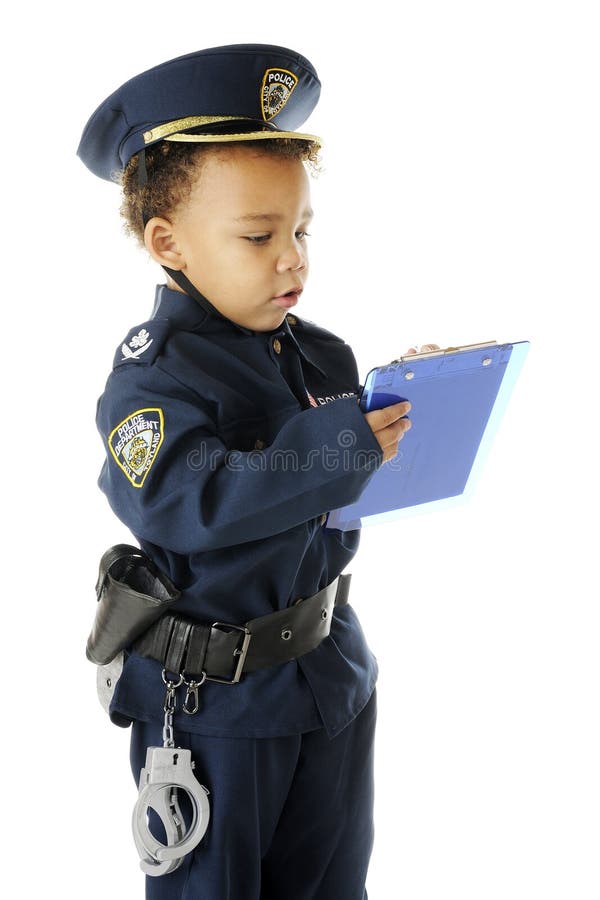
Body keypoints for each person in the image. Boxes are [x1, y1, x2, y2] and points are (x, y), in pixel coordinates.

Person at [78, 44, 418, 900]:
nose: (291, 257)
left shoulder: (322, 357)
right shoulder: (150, 384)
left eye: (300, 230)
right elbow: (196, 502)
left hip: (329, 671)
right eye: (258, 236)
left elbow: (334, 503)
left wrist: (407, 416)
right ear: (170, 243)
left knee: (335, 883)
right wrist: (343, 447)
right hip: (215, 704)